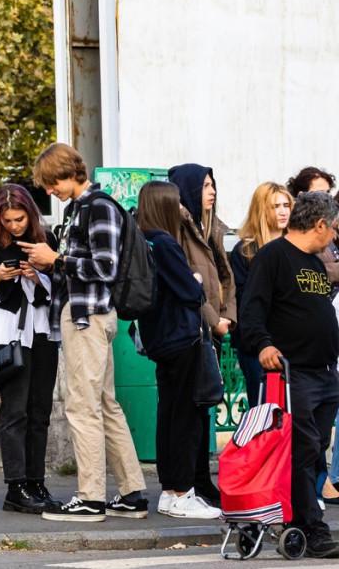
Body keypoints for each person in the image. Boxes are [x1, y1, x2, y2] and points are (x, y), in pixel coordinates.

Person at [21, 142, 147, 522]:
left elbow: (105, 267)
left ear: (69, 173)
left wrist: (56, 259)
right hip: (88, 316)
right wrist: (50, 265)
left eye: (52, 183)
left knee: (82, 406)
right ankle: (132, 493)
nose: (49, 191)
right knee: (105, 405)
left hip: (86, 318)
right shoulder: (81, 208)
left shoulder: (97, 207)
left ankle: (90, 498)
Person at [239, 192, 339, 559]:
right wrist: (263, 345)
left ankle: (300, 518)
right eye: (334, 228)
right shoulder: (273, 257)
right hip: (295, 373)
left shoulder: (314, 263)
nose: (335, 235)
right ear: (320, 225)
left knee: (314, 450)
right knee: (303, 450)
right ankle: (311, 528)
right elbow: (252, 309)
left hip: (325, 372)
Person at [0, 184, 60, 515]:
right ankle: (16, 486)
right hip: (7, 332)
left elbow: (60, 286)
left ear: (30, 214)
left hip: (42, 331)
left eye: (20, 219)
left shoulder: (47, 240)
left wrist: (38, 276)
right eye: (8, 221)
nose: (15, 226)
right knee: (15, 410)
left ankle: (36, 482)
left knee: (40, 410)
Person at [133, 181, 221, 520]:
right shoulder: (166, 243)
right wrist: (196, 280)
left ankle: (170, 491)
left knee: (168, 415)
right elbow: (190, 292)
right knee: (186, 417)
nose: (182, 208)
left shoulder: (143, 240)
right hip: (182, 338)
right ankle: (183, 492)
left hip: (158, 338)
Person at [167, 163, 235, 506]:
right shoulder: (180, 227)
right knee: (191, 408)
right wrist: (213, 319)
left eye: (213, 185)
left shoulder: (212, 227)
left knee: (205, 405)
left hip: (215, 327)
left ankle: (201, 478)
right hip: (194, 327)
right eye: (206, 186)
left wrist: (228, 317)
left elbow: (226, 277)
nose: (212, 192)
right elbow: (189, 283)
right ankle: (191, 481)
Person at [229, 182, 293, 406]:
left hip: (293, 343)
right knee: (266, 410)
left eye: (286, 205)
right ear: (262, 210)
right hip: (258, 345)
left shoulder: (296, 246)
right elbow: (245, 301)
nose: (283, 211)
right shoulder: (245, 251)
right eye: (275, 206)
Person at [287, 168, 339, 290]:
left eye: (328, 193)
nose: (327, 199)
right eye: (320, 194)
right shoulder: (292, 230)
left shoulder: (330, 226)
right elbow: (299, 271)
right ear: (301, 196)